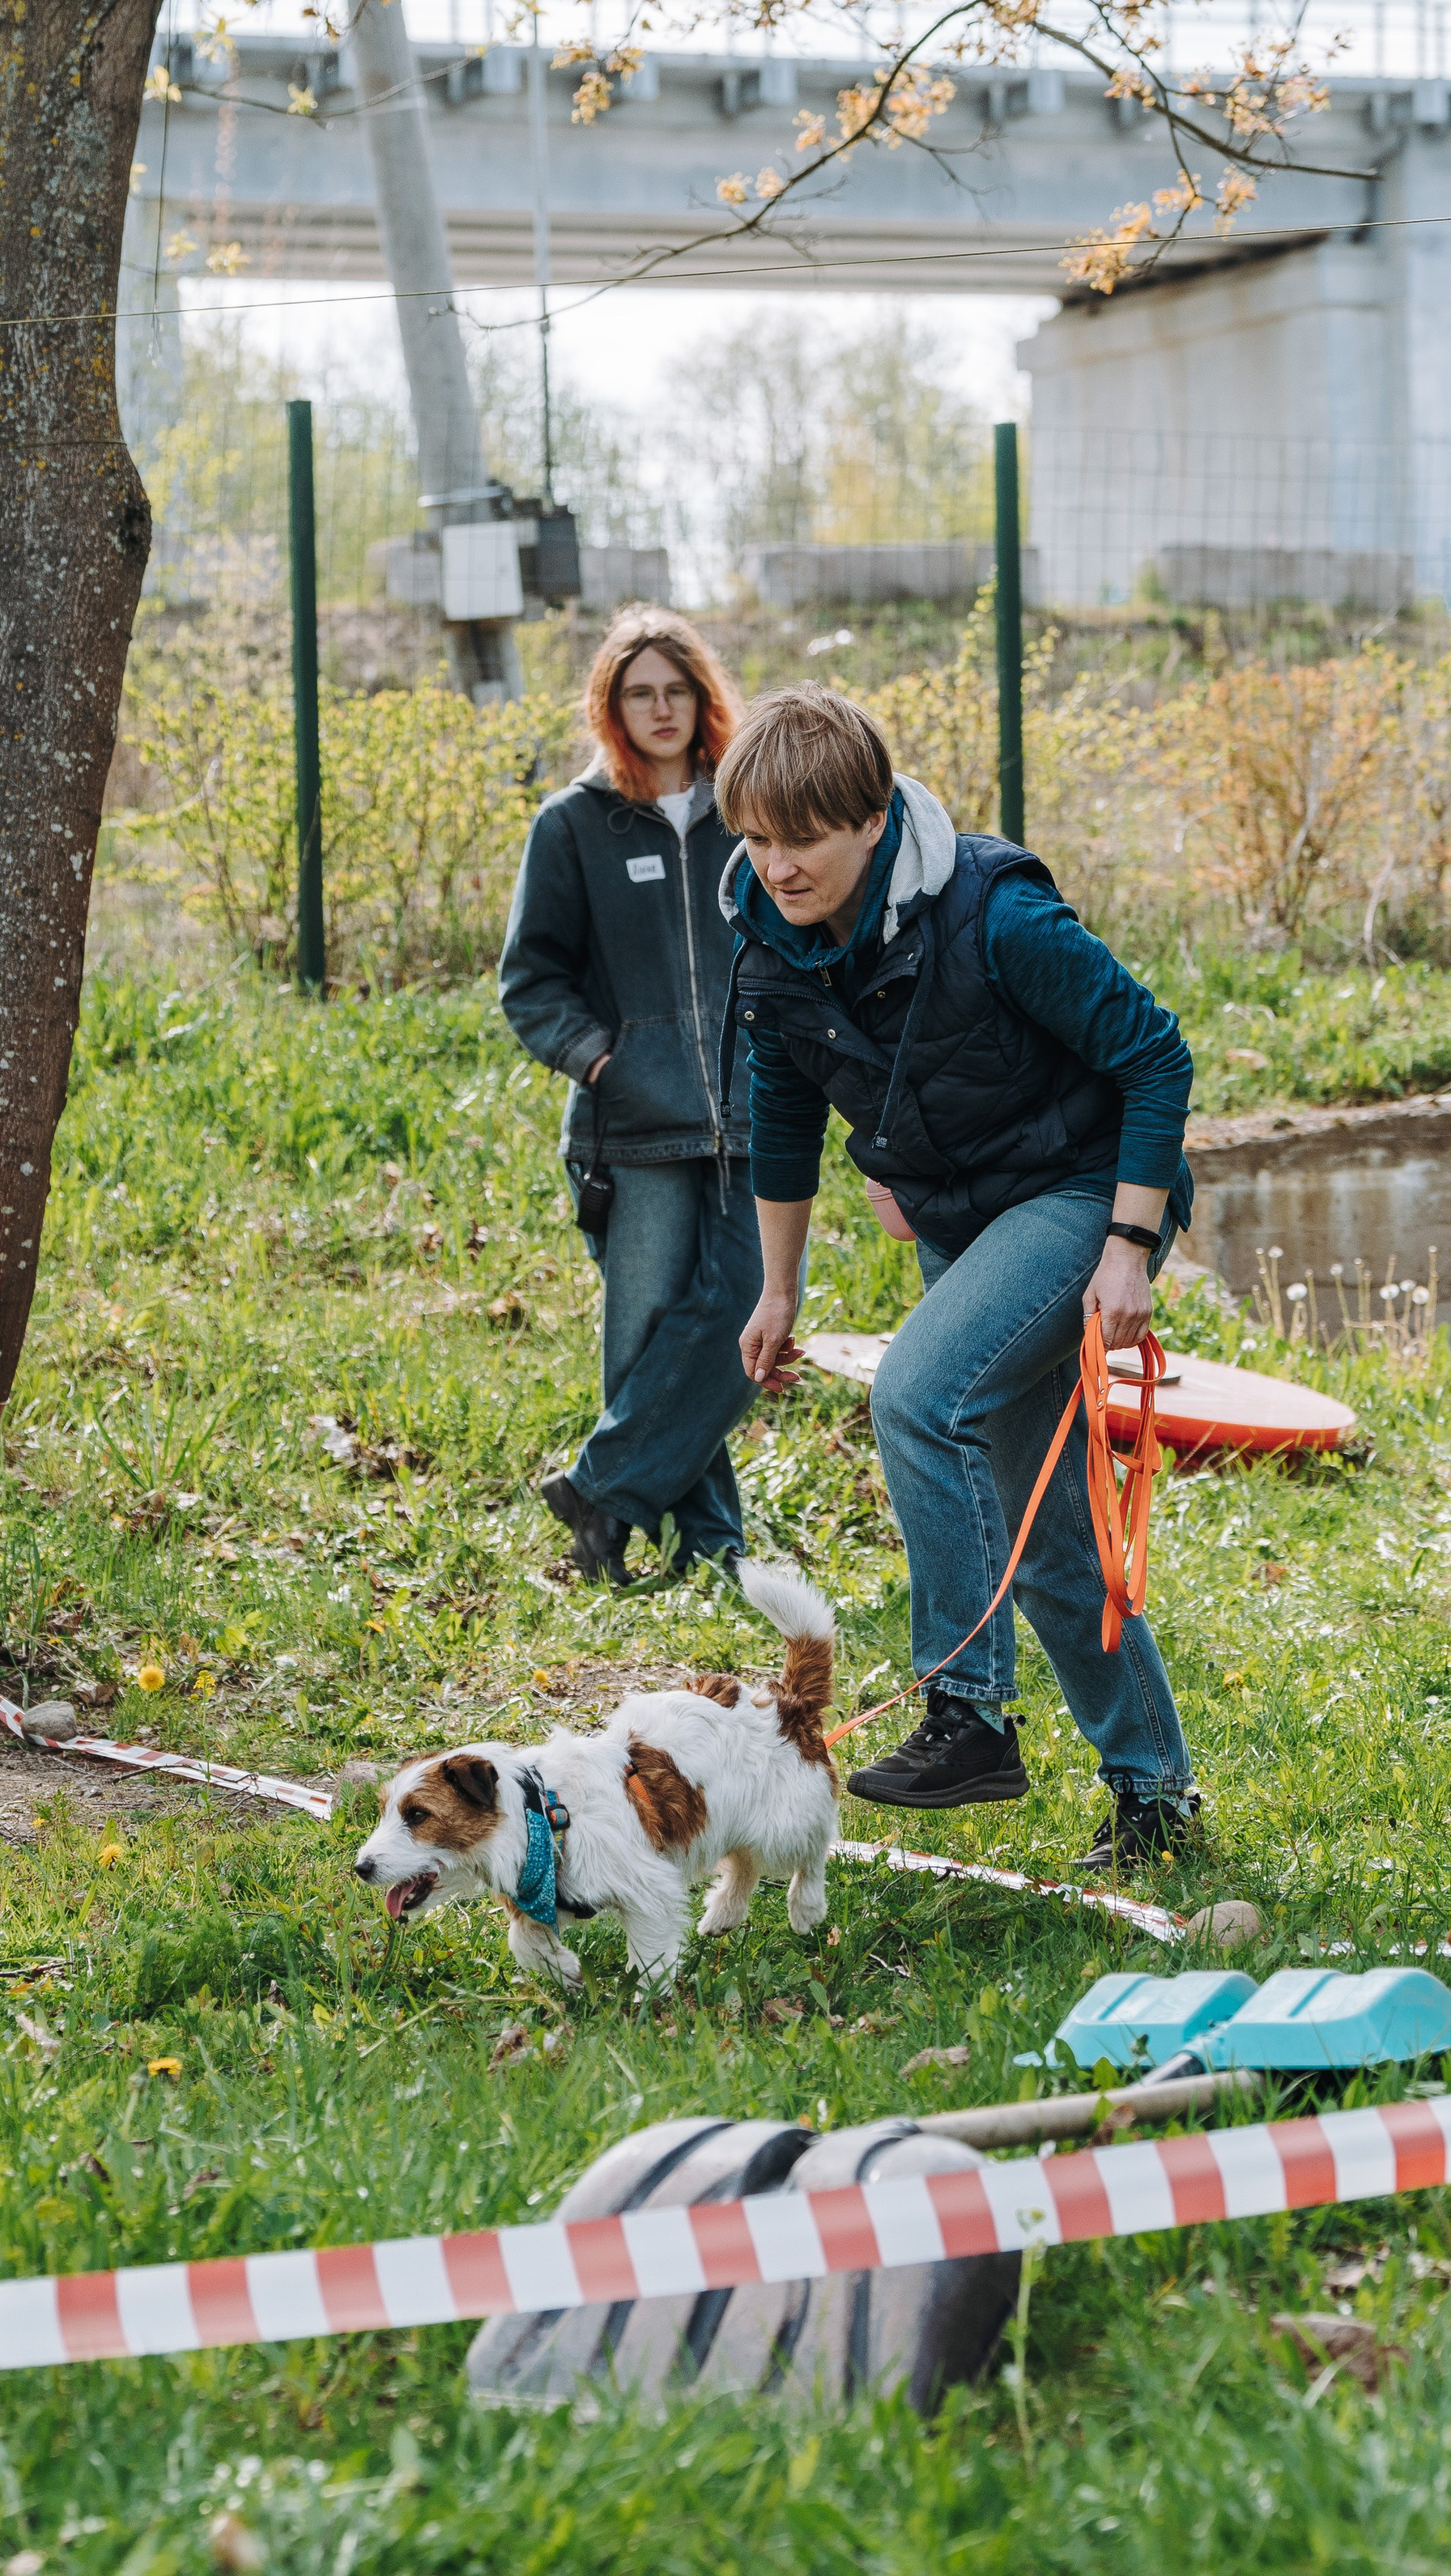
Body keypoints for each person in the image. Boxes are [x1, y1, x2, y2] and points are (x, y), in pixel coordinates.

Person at [720, 683, 1202, 1872]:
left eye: (805, 840)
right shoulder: (767, 939)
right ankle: (1157, 1796)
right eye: (757, 838)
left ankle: (967, 1714)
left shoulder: (993, 910)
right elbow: (782, 1123)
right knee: (1046, 1539)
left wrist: (1130, 1249)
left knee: (916, 1393)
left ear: (874, 820)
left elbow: (1155, 1055)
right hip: (967, 1222)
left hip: (1085, 1195)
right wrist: (777, 1293)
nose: (777, 865)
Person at [500, 606, 761, 1586]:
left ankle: (601, 1490)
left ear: (703, 699)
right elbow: (531, 981)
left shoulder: (747, 813)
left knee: (741, 1313)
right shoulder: (574, 824)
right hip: (631, 1131)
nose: (660, 708)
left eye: (675, 690)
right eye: (638, 693)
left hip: (747, 1118)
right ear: (613, 708)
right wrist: (608, 1062)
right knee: (649, 1336)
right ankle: (711, 1545)